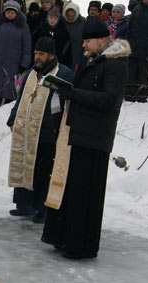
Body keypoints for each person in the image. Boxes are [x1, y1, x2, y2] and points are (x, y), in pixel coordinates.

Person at [41, 17, 129, 259]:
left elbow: (109, 99)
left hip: (95, 137)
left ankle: (80, 246)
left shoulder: (115, 64)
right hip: (81, 133)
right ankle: (66, 239)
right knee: (75, 190)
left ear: (102, 40)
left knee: (86, 193)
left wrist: (74, 94)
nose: (83, 45)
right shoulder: (96, 60)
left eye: (87, 41)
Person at [7, 36, 74, 223]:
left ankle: (42, 209)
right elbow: (21, 98)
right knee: (25, 166)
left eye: (41, 54)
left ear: (51, 55)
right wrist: (12, 119)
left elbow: (66, 104)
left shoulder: (64, 74)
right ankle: (24, 205)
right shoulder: (31, 73)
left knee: (43, 173)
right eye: (36, 53)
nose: (37, 57)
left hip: (48, 132)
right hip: (27, 129)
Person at [0, 0, 31, 107]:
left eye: (12, 12)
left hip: (15, 63)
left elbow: (27, 47)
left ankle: (8, 108)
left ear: (17, 13)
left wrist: (24, 63)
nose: (10, 14)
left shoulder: (23, 27)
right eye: (8, 12)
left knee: (11, 89)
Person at [63, 2, 85, 71]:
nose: (70, 18)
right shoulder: (63, 21)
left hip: (78, 52)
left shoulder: (83, 22)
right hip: (64, 52)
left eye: (72, 16)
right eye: (68, 16)